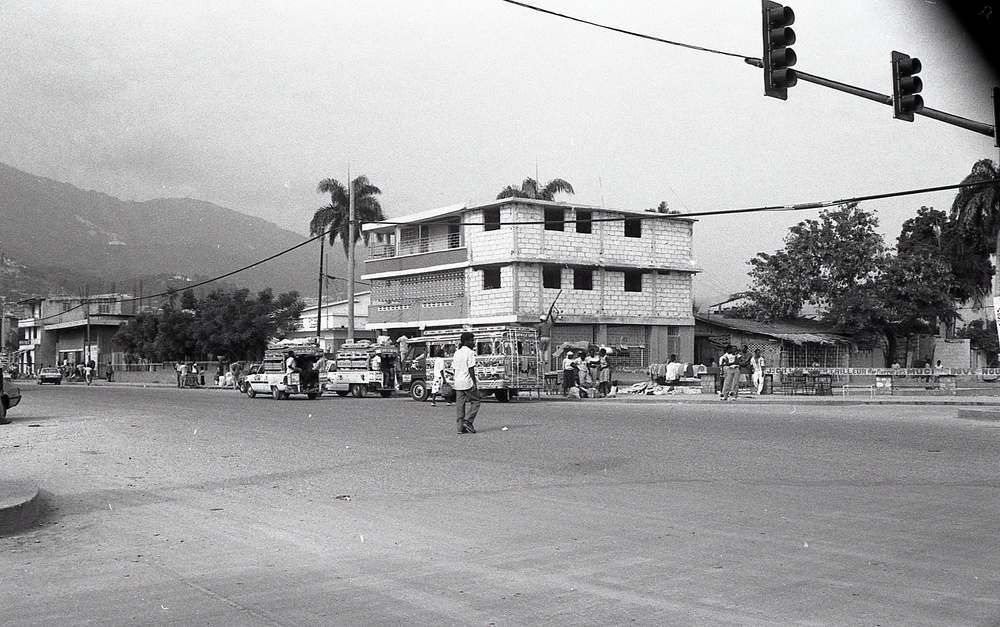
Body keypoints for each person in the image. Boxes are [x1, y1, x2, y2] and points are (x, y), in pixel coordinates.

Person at [452, 331, 480, 434]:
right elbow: (471, 369)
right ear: (466, 342)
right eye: (472, 341)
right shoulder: (470, 352)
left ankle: (460, 428)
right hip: (467, 381)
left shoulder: (457, 352)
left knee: (460, 405)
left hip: (458, 382)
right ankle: (468, 421)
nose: (473, 343)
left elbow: (454, 368)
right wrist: (474, 383)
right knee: (476, 401)